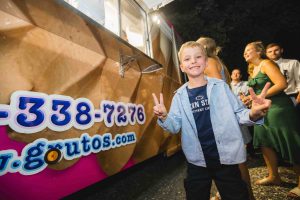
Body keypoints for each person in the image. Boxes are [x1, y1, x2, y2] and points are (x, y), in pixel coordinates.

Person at [152, 41, 272, 200]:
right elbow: (174, 126)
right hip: (197, 161)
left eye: (198, 57)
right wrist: (164, 117)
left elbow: (239, 113)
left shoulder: (221, 87)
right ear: (181, 67)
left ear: (206, 62)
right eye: (187, 59)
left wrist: (254, 113)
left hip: (226, 158)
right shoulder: (179, 96)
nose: (193, 61)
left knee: (236, 194)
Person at [244, 41, 300, 199]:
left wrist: (261, 96)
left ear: (259, 52)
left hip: (279, 109)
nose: (245, 53)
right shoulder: (252, 70)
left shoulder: (266, 63)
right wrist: (249, 99)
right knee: (264, 142)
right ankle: (274, 176)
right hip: (262, 112)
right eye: (244, 51)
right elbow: (257, 93)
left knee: (290, 142)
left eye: (249, 50)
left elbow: (281, 84)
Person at [266, 43, 300, 112]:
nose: (273, 53)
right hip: (271, 100)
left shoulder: (293, 63)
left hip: (290, 97)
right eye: (270, 51)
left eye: (276, 50)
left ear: (281, 50)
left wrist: (297, 100)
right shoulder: (263, 67)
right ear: (266, 54)